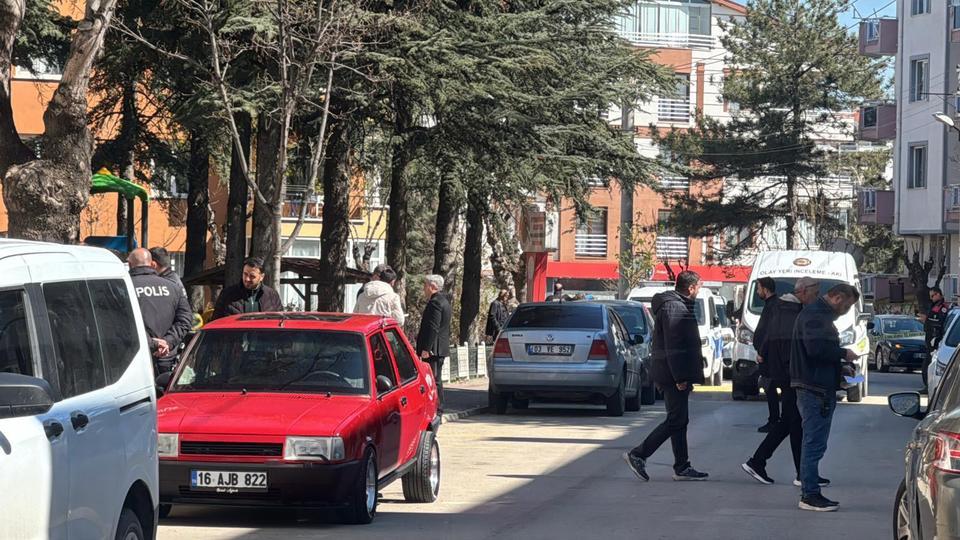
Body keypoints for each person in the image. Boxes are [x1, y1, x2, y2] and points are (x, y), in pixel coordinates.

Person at [623, 270, 709, 482]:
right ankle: (639, 454)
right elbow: (674, 345)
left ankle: (682, 466)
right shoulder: (674, 307)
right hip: (672, 374)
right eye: (698, 286)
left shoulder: (679, 305)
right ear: (691, 288)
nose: (699, 290)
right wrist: (680, 377)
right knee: (675, 419)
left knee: (680, 420)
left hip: (674, 372)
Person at [741, 276, 820, 486]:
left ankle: (799, 471)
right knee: (793, 421)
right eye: (816, 291)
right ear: (803, 291)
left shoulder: (783, 308)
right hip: (790, 376)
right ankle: (761, 462)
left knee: (792, 422)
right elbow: (782, 344)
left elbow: (765, 337)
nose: (817, 296)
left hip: (785, 374)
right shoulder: (789, 312)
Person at [791, 283, 860, 512]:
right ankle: (809, 494)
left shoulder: (818, 315)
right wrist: (843, 354)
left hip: (816, 384)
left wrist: (840, 368)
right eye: (847, 305)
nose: (847, 310)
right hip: (814, 387)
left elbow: (818, 351)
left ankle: (810, 488)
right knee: (813, 441)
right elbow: (815, 349)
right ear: (837, 298)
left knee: (814, 441)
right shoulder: (815, 316)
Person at [128, 248, 192, 373]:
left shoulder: (125, 288)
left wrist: (153, 343)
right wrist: (168, 341)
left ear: (130, 264)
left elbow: (123, 325)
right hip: (168, 358)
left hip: (137, 360)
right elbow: (185, 320)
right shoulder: (173, 287)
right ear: (151, 263)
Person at [416, 275, 452, 413]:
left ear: (433, 286)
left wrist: (426, 348)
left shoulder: (435, 302)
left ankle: (438, 407)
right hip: (439, 347)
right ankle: (437, 406)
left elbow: (433, 327)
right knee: (436, 378)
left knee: (434, 379)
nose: (424, 288)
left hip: (434, 349)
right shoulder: (443, 301)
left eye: (425, 285)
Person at [212, 257, 283, 320]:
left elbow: (281, 322)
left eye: (252, 276)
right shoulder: (227, 294)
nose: (247, 279)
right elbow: (215, 323)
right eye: (245, 274)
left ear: (261, 277)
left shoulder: (272, 296)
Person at [752, 276, 780, 433]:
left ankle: (775, 420)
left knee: (770, 387)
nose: (757, 292)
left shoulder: (773, 305)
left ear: (765, 289)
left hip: (770, 356)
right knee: (769, 387)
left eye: (758, 288)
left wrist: (762, 352)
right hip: (767, 354)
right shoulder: (771, 304)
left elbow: (770, 332)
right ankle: (775, 419)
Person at [922, 287, 948, 393]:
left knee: (928, 365)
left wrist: (926, 319)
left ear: (938, 294)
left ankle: (928, 387)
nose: (931, 298)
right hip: (930, 339)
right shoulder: (934, 306)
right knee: (926, 364)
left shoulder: (943, 307)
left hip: (935, 340)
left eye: (933, 296)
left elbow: (939, 322)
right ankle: (927, 386)